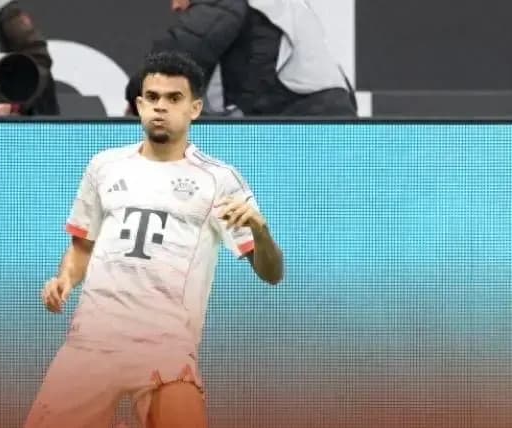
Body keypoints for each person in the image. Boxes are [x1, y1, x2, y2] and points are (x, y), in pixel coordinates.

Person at [26, 51, 284, 428]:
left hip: (166, 345)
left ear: (195, 108)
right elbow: (83, 246)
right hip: (93, 340)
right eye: (153, 97)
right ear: (140, 104)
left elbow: (272, 274)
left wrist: (261, 232)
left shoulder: (219, 180)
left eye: (174, 98)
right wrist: (65, 278)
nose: (161, 107)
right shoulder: (104, 166)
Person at [126, 0, 357, 117]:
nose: (175, 6)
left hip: (301, 122)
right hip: (331, 116)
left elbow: (181, 53)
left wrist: (141, 95)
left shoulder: (225, 6)